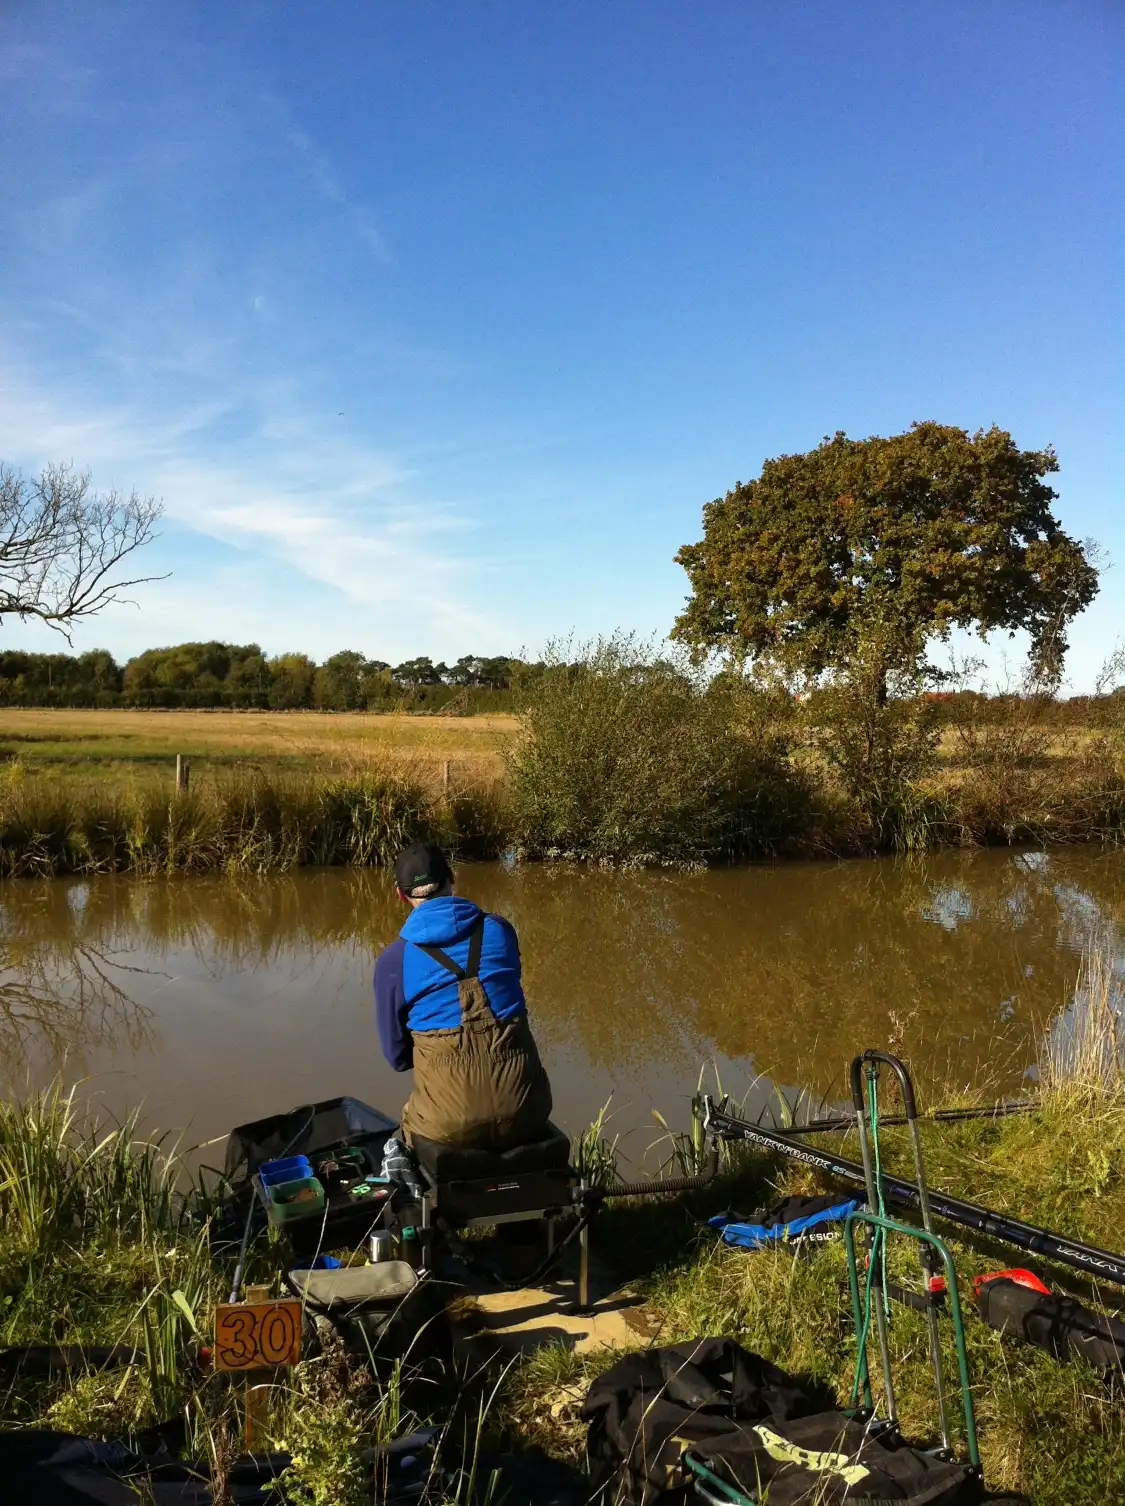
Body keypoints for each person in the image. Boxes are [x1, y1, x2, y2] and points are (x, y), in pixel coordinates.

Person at [374, 840, 553, 1150]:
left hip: (443, 1125)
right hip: (527, 1108)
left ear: (400, 895)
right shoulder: (500, 929)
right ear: (452, 877)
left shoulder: (393, 962)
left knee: (397, 1142)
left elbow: (398, 1058)